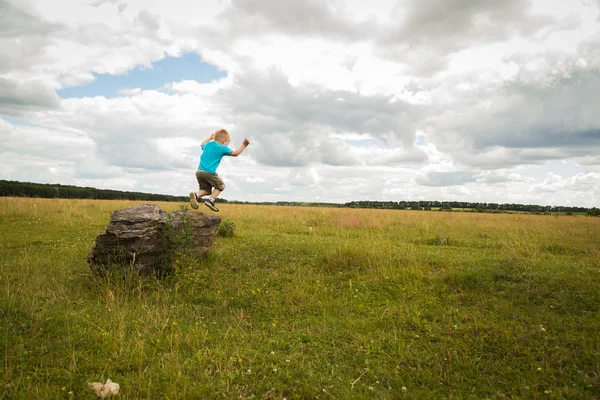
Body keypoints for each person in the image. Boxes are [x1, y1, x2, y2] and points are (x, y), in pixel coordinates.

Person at [190, 129, 250, 212]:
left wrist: (209, 138)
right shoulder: (222, 147)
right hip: (209, 172)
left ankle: (196, 195)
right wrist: (244, 145)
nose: (227, 145)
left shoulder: (208, 145)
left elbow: (202, 144)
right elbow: (235, 153)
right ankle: (210, 201)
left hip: (199, 172)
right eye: (227, 143)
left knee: (206, 190)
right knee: (221, 186)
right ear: (224, 140)